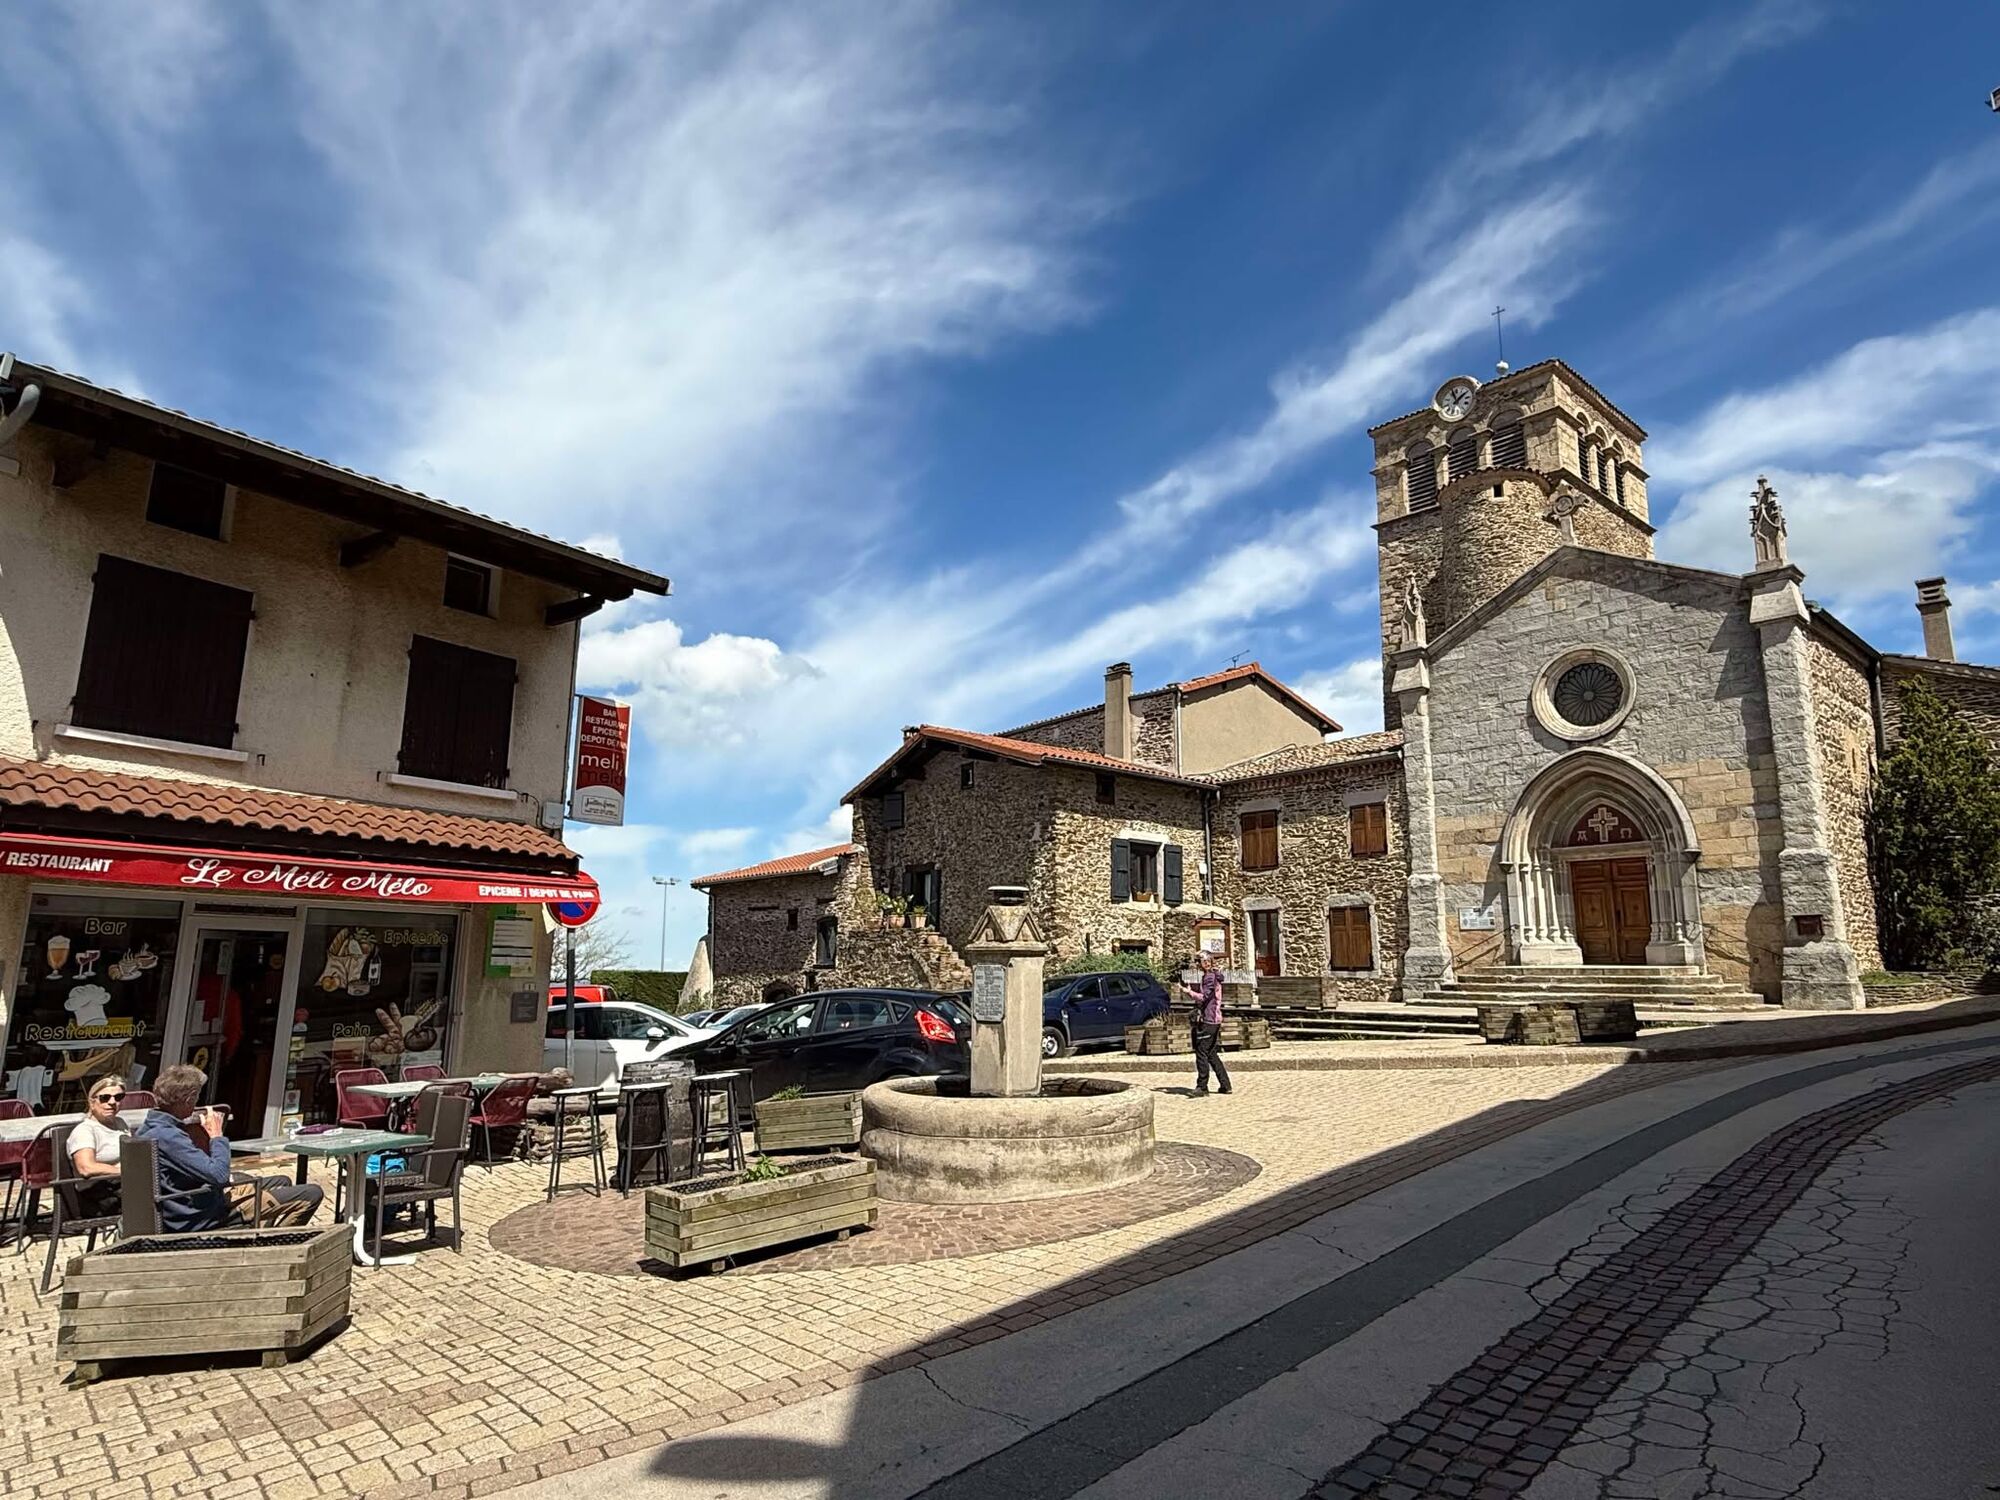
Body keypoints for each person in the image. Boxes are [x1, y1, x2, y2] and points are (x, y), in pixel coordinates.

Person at [136, 1064, 323, 1230]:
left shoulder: (151, 1127)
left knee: (282, 1181)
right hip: (200, 1216)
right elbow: (219, 1175)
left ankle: (260, 1235)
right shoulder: (170, 1137)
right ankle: (275, 1246)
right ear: (188, 1100)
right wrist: (217, 1136)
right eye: (197, 1097)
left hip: (187, 1204)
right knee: (311, 1194)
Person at [66, 1074, 131, 1219]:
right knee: (152, 1198)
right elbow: (86, 1168)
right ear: (92, 1102)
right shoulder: (85, 1130)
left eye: (118, 1097)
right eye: (105, 1098)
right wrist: (124, 1171)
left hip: (122, 1185)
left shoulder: (120, 1123)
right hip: (97, 1193)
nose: (112, 1102)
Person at [1191, 953, 1232, 1097]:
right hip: (1215, 1019)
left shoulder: (1209, 977)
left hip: (1210, 1019)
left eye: (1204, 961)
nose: (1203, 963)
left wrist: (1188, 992)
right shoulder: (1212, 976)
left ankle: (1202, 1087)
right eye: (1201, 961)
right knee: (1211, 1053)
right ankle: (1225, 1085)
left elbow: (1204, 997)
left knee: (1201, 1052)